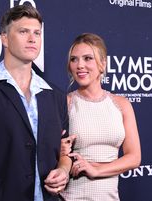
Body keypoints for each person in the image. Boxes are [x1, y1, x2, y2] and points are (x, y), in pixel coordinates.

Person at [0, 4, 72, 201]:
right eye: (23, 31)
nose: (32, 38)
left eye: (37, 33)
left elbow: (64, 150)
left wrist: (63, 170)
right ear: (5, 38)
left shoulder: (56, 96)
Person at [59, 33, 141, 201]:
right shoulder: (64, 104)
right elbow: (53, 155)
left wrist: (96, 169)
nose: (80, 65)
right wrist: (59, 151)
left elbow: (134, 157)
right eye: (74, 59)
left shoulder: (122, 104)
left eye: (88, 58)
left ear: (103, 64)